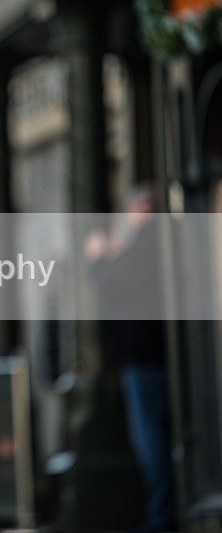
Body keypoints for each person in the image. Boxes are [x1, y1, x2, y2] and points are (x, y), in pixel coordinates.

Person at [85, 186, 176, 533]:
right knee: (154, 435)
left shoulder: (148, 243)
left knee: (149, 438)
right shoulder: (152, 244)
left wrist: (99, 258)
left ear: (140, 209)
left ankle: (161, 515)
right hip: (149, 356)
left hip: (143, 358)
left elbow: (111, 283)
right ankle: (161, 511)